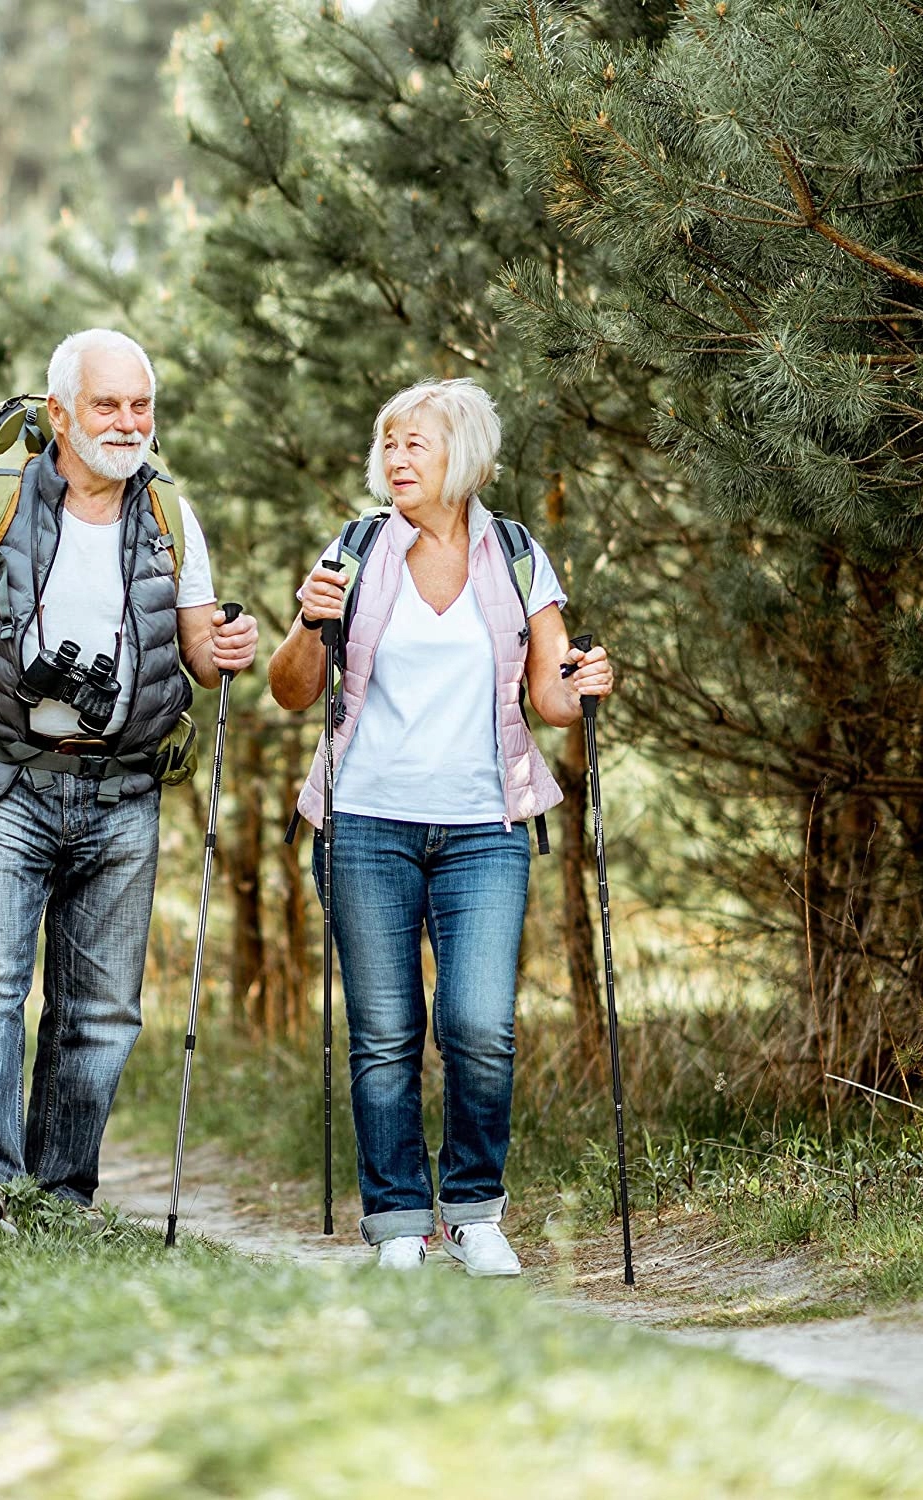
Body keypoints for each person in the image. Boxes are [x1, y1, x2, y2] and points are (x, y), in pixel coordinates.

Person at [0, 328, 258, 1230]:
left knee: (99, 1010)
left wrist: (231, 647)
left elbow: (202, 651)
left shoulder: (171, 514)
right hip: (0, 783)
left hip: (124, 790)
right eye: (108, 404)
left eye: (141, 405)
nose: (129, 422)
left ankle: (61, 1196)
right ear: (60, 412)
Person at [268, 378, 613, 1275]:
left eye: (414, 444)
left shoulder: (517, 554)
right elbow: (291, 688)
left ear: (462, 454)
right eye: (388, 446)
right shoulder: (352, 550)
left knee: (478, 1023)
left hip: (482, 828)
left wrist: (585, 685)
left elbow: (550, 699)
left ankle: (472, 1211)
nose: (396, 460)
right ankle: (395, 1223)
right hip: (367, 824)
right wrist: (311, 622)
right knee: (383, 1034)